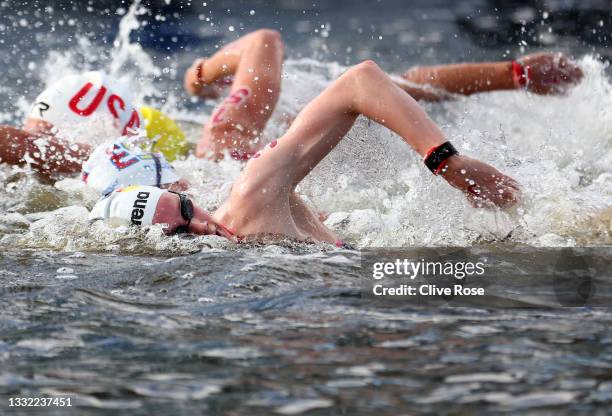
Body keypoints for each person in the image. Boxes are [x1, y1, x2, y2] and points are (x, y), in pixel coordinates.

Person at [90, 61, 521, 245]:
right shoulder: (240, 221)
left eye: (186, 208)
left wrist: (445, 160)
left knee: (396, 86)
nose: (202, 227)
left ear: (183, 188)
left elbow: (361, 79)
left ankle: (514, 73)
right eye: (181, 233)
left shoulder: (243, 188)